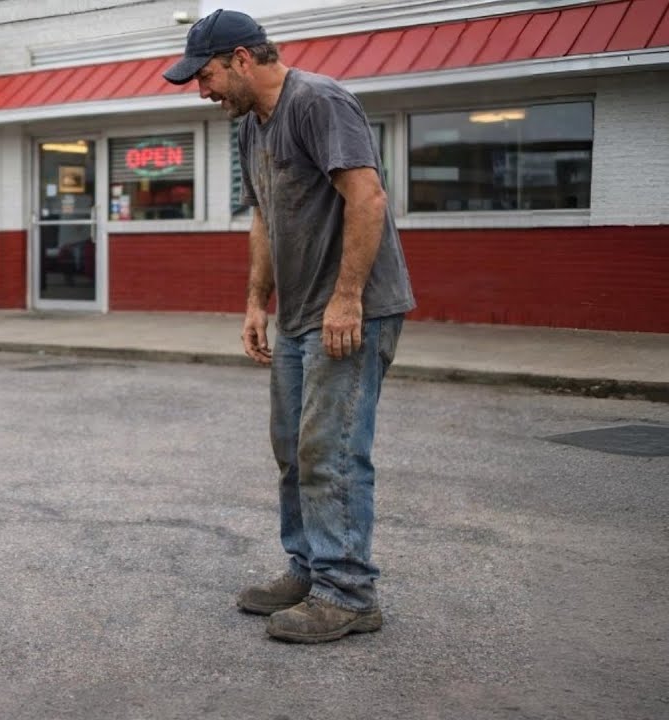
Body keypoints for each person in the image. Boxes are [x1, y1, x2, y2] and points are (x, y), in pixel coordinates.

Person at [164, 9, 415, 643]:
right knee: (292, 449)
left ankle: (350, 593)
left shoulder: (320, 102)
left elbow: (368, 198)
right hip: (298, 312)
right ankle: (308, 569)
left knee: (330, 452)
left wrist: (348, 298)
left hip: (351, 308)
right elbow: (264, 219)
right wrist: (256, 302)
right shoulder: (251, 126)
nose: (203, 89)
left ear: (243, 59)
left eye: (208, 75)